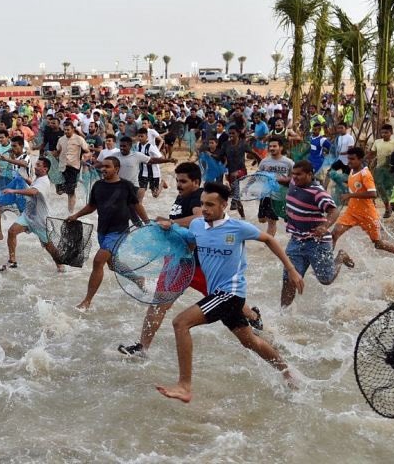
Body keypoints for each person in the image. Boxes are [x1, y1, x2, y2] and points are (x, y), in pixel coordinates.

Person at [155, 182, 304, 403]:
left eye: (210, 205)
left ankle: (185, 385)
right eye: (202, 204)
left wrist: (291, 270)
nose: (204, 209)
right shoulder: (197, 226)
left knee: (180, 323)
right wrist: (168, 229)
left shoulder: (238, 227)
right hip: (219, 293)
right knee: (250, 341)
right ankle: (289, 374)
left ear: (224, 205)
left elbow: (269, 239)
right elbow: (187, 243)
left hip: (231, 294)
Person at [117, 163, 263, 357]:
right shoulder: (183, 196)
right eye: (177, 180)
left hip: (201, 264)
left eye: (183, 181)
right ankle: (142, 347)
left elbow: (197, 218)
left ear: (196, 182)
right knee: (159, 302)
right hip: (178, 262)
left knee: (225, 299)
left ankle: (253, 316)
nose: (179, 184)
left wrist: (171, 223)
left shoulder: (198, 198)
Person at [68, 156, 149, 311]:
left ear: (116, 169)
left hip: (119, 231)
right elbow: (91, 206)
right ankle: (138, 279)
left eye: (107, 166)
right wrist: (76, 215)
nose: (103, 169)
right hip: (103, 231)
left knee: (98, 261)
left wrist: (147, 223)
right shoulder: (98, 185)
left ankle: (86, 301)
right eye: (102, 166)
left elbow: (136, 205)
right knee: (112, 265)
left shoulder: (126, 186)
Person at [279, 160, 343, 307]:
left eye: (299, 175)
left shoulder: (318, 192)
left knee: (326, 279)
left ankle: (340, 257)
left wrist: (325, 225)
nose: (295, 177)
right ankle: (283, 315)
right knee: (289, 279)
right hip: (296, 240)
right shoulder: (294, 183)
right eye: (293, 174)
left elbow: (334, 210)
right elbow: (287, 181)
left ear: (309, 174)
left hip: (318, 242)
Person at [332, 147, 394, 269]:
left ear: (360, 159)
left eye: (352, 159)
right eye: (348, 159)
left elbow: (373, 194)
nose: (349, 162)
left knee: (378, 244)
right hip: (352, 212)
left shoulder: (365, 174)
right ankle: (327, 262)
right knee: (334, 233)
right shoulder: (352, 171)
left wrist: (350, 195)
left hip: (367, 214)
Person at [0, 157, 64, 272]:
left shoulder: (44, 181)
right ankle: (12, 261)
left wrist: (13, 191)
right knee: (11, 231)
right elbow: (33, 186)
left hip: (40, 220)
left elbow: (33, 191)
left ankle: (61, 266)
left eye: (38, 165)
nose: (35, 167)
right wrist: (25, 179)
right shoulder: (38, 179)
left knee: (48, 246)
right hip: (28, 216)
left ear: (45, 169)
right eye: (36, 164)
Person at [256, 137, 294, 236]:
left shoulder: (289, 162)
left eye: (274, 146)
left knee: (289, 220)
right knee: (266, 221)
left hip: (283, 196)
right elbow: (258, 176)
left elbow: (295, 178)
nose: (272, 148)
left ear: (281, 147)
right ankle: (270, 244)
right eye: (270, 146)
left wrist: (280, 180)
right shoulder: (264, 162)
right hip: (267, 195)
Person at [52, 121, 89, 213]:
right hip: (62, 167)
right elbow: (58, 152)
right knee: (59, 191)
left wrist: (84, 158)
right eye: (64, 130)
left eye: (68, 130)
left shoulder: (79, 139)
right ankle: (66, 188)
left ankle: (70, 212)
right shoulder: (61, 139)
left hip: (74, 167)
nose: (66, 131)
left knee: (71, 191)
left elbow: (87, 150)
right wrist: (51, 155)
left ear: (73, 129)